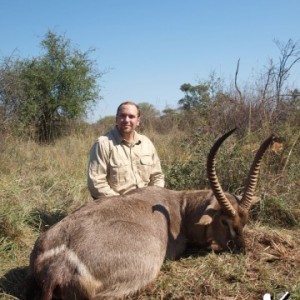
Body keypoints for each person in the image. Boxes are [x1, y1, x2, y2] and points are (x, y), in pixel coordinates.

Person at [87, 101, 165, 199]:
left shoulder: (146, 143)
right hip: (115, 205)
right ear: (116, 119)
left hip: (146, 203)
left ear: (138, 121)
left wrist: (152, 198)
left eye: (131, 116)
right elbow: (96, 184)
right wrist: (124, 204)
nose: (126, 120)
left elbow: (157, 176)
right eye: (122, 116)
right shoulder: (103, 144)